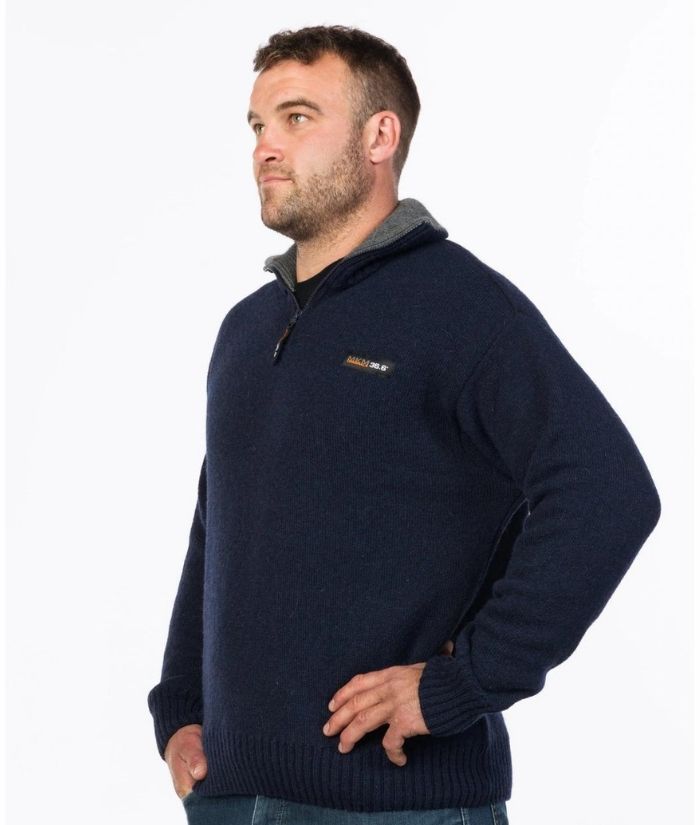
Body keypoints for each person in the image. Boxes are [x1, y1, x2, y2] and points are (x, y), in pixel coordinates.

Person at [147, 24, 661, 825]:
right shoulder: (246, 329)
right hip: (234, 794)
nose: (266, 147)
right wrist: (180, 704)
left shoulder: (463, 308)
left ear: (379, 136)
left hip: (396, 805)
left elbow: (608, 491)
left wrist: (463, 681)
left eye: (297, 118)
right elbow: (218, 524)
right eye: (257, 125)